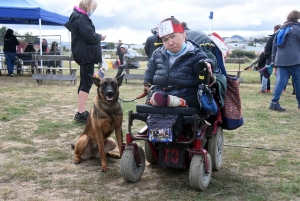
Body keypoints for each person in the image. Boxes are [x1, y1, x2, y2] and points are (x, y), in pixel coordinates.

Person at [143, 17, 214, 108]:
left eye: (173, 36)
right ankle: (162, 100)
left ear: (183, 34)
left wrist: (206, 65)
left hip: (186, 97)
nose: (170, 43)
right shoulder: (157, 54)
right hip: (160, 93)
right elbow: (150, 71)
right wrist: (147, 84)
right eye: (165, 40)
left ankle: (170, 101)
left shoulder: (195, 54)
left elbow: (204, 62)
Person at [65, 0, 106, 122]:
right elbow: (89, 36)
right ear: (88, 5)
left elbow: (86, 34)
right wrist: (99, 37)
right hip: (86, 54)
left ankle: (81, 111)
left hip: (84, 54)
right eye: (93, 8)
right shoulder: (81, 18)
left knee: (84, 81)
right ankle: (81, 113)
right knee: (87, 83)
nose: (93, 11)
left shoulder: (78, 17)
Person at [269, 10, 300, 111]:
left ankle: (274, 102)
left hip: (280, 60)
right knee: (298, 82)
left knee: (281, 82)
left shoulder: (280, 29)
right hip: (296, 60)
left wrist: (273, 60)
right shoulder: (297, 29)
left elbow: (274, 46)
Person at [259, 24, 281, 93]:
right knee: (279, 75)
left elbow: (267, 49)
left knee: (266, 74)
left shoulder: (272, 37)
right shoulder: (284, 37)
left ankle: (263, 89)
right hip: (281, 59)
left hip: (270, 58)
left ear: (275, 29)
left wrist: (266, 57)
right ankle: (277, 90)